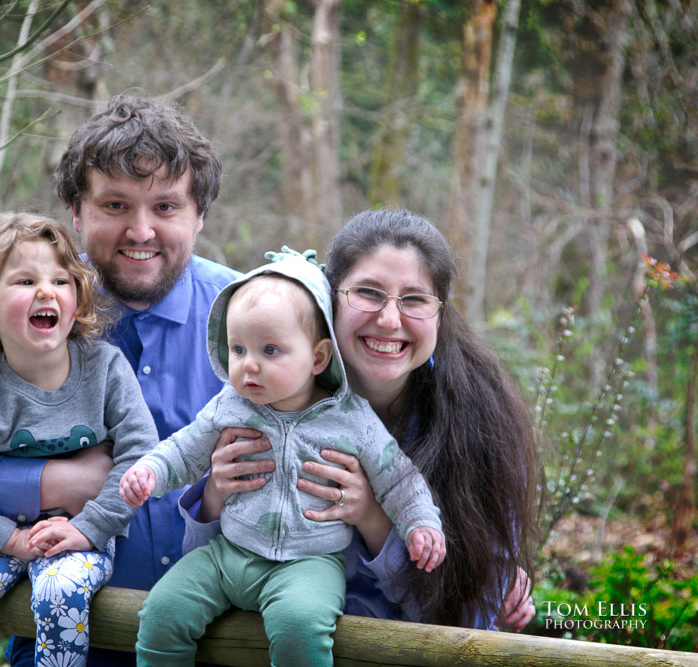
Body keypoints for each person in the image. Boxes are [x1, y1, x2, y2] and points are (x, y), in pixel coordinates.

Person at [0, 94, 239, 665]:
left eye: (167, 207)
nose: (141, 230)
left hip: (227, 645)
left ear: (201, 214)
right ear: (76, 213)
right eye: (116, 204)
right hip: (64, 642)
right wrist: (51, 482)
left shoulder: (251, 315)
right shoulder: (21, 314)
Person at [187, 209, 540, 630]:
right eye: (368, 293)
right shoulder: (259, 397)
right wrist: (213, 497)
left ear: (440, 314)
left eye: (414, 299)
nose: (390, 320)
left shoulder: (481, 423)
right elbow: (195, 571)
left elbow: (475, 616)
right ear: (328, 299)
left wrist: (371, 517)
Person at [120, 248, 445, 666]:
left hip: (308, 564)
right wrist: (150, 471)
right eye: (238, 350)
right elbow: (184, 449)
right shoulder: (229, 406)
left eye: (269, 351)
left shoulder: (351, 419)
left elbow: (400, 479)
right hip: (228, 555)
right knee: (162, 612)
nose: (248, 367)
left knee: (299, 629)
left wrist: (421, 522)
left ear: (317, 357)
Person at [0, 214, 158, 667]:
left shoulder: (106, 369)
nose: (46, 291)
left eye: (61, 279)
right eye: (24, 280)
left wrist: (87, 528)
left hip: (81, 539)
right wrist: (9, 539)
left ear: (76, 300)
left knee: (61, 595)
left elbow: (140, 458)